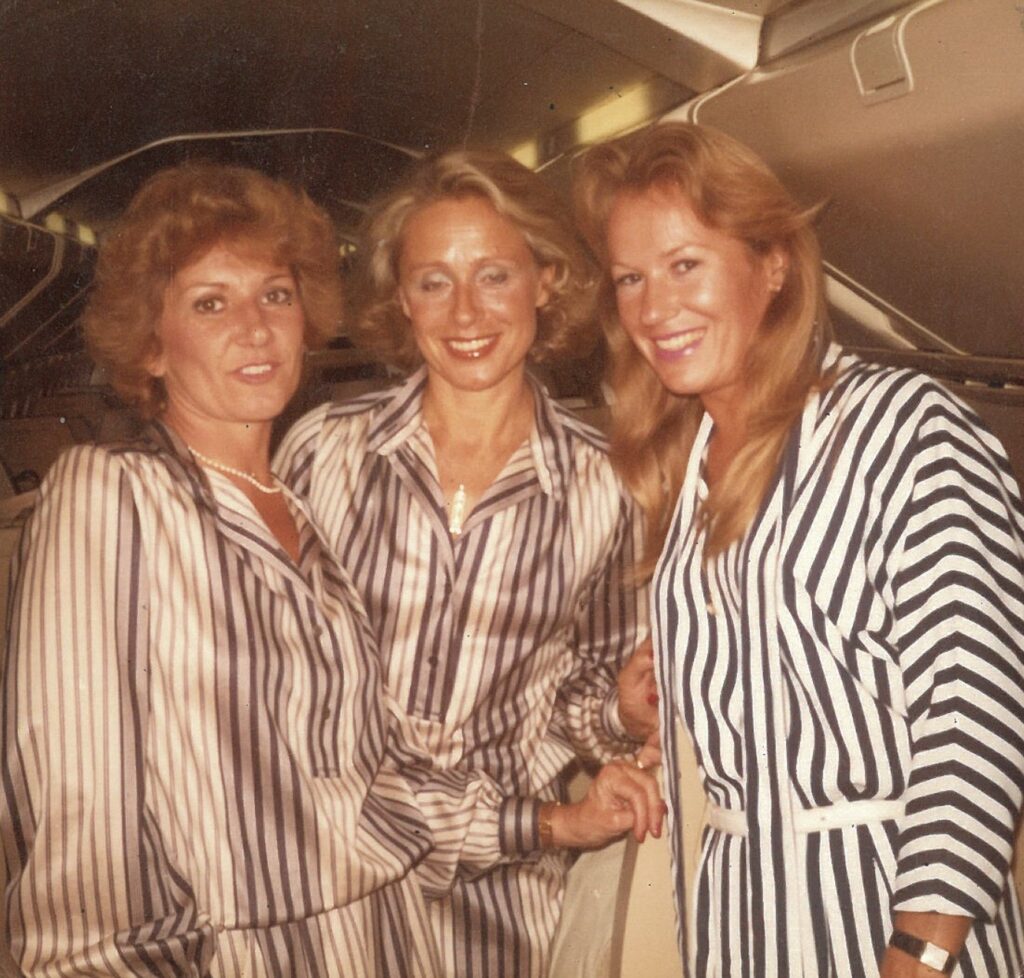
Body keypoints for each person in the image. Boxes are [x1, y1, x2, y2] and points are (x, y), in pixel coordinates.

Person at [572, 121, 1024, 978]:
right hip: (740, 925)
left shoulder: (905, 431)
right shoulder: (686, 458)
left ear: (772, 264)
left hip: (896, 926)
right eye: (630, 278)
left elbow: (973, 726)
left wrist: (916, 958)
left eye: (684, 265)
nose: (653, 309)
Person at [4, 162, 456, 976]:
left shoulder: (303, 500)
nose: (255, 328)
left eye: (275, 294)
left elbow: (361, 768)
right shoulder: (112, 496)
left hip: (392, 939)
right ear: (149, 344)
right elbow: (82, 821)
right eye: (210, 302)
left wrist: (549, 817)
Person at [275, 148, 661, 978]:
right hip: (338, 878)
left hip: (507, 902)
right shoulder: (323, 454)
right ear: (399, 298)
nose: (464, 312)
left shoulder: (609, 481)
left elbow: (581, 695)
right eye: (432, 280)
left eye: (494, 274)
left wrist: (625, 716)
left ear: (546, 280)